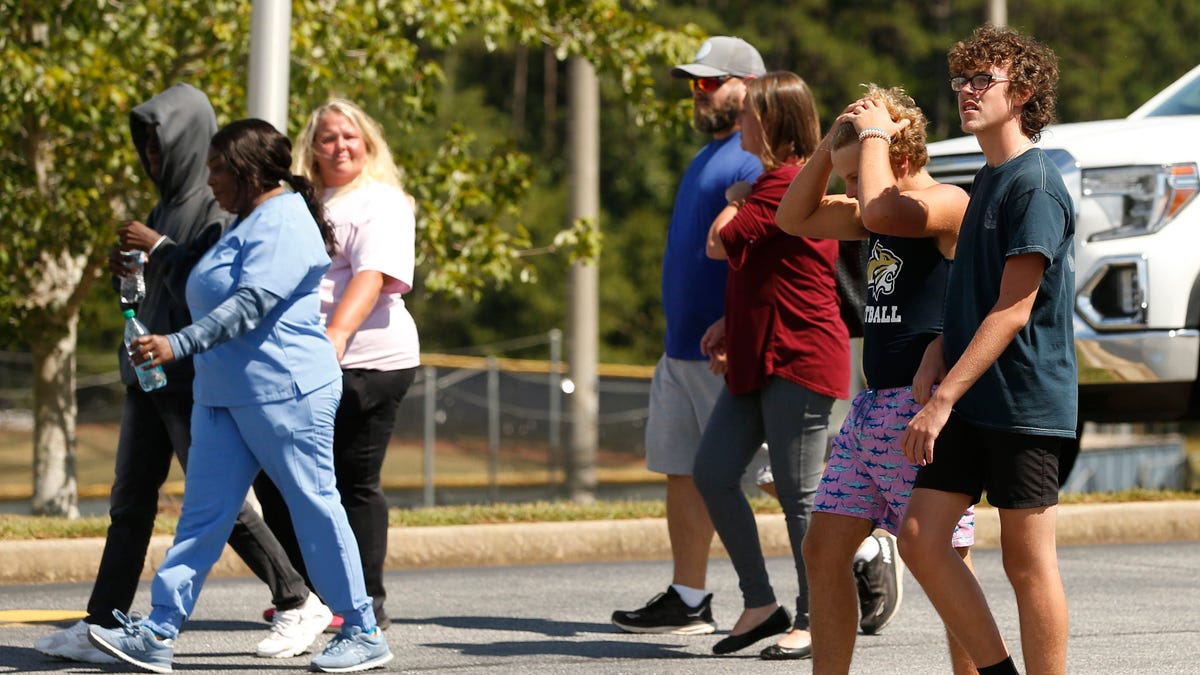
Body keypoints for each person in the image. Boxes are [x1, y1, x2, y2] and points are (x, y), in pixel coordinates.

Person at [34, 85, 329, 666]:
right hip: (148, 370)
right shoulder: (164, 204)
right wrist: (132, 270)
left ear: (190, 143)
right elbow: (161, 288)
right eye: (145, 149)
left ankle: (299, 598)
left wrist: (160, 246)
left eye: (160, 147)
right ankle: (103, 622)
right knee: (130, 502)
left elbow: (217, 290)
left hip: (193, 374)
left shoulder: (220, 204)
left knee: (216, 503)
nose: (152, 159)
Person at [85, 118, 393, 674]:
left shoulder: (286, 222)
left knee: (314, 509)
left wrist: (178, 343)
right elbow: (208, 287)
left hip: (286, 393)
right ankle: (158, 631)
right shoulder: (242, 221)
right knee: (201, 518)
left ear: (250, 171)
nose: (210, 180)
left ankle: (364, 630)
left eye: (218, 168)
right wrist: (145, 268)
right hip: (224, 395)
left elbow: (250, 303)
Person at [776, 84, 978, 674]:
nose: (845, 192)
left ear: (901, 158)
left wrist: (873, 137)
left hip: (921, 409)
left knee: (943, 563)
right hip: (871, 412)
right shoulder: (870, 215)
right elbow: (793, 218)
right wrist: (827, 150)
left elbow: (878, 208)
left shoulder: (944, 205)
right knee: (824, 549)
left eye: (855, 175)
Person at [898, 25, 1075, 675]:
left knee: (1027, 561)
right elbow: (975, 296)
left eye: (983, 81)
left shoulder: (1034, 184)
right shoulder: (986, 178)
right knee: (920, 537)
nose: (968, 92)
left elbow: (1016, 305)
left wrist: (942, 397)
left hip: (1025, 399)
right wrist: (938, 348)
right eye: (962, 81)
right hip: (974, 391)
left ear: (1022, 93)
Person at [611, 36, 766, 636]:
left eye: (709, 82)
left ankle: (859, 559)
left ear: (747, 84)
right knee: (683, 470)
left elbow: (763, 256)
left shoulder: (755, 158)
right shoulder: (710, 156)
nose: (697, 95)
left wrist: (737, 328)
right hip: (683, 348)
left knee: (776, 477)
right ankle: (689, 596)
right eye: (693, 84)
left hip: (727, 351)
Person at [692, 71, 849, 660]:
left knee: (799, 496)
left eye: (749, 114)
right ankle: (760, 605)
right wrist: (731, 323)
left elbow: (718, 241)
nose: (740, 125)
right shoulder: (774, 182)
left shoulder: (786, 182)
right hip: (758, 355)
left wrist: (733, 201)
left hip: (800, 355)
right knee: (712, 471)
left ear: (775, 120)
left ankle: (817, 619)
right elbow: (768, 270)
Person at [253, 98, 420, 631]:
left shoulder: (382, 202)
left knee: (352, 481)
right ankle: (310, 597)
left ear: (367, 144)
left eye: (350, 136)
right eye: (328, 138)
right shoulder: (301, 202)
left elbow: (371, 277)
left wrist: (334, 340)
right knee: (279, 480)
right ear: (312, 149)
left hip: (368, 363)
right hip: (303, 363)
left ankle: (364, 602)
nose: (340, 146)